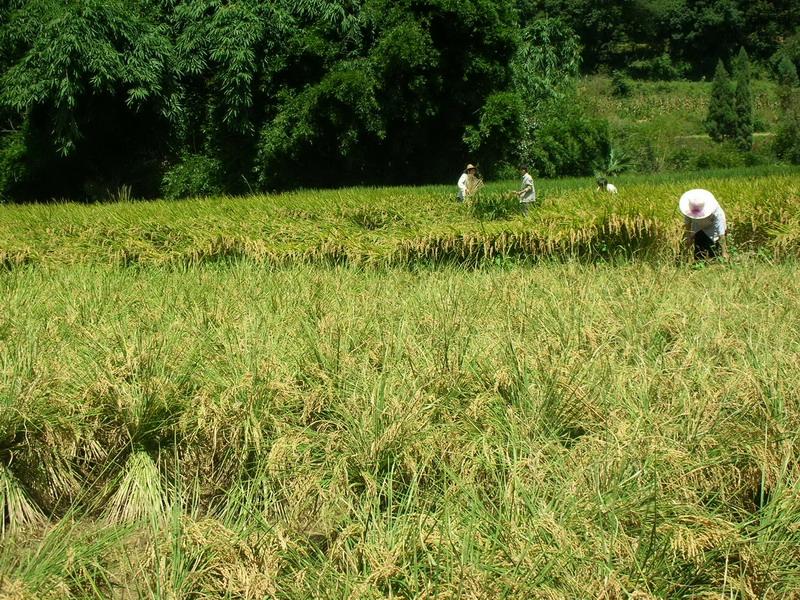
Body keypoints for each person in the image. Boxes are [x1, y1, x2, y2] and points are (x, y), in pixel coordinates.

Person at [679, 188, 729, 260]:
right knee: (699, 252)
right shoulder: (690, 208)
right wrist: (688, 236)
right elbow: (688, 223)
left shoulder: (716, 212)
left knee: (713, 251)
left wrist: (724, 252)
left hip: (712, 227)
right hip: (698, 227)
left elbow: (721, 233)